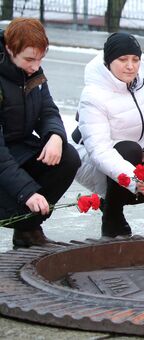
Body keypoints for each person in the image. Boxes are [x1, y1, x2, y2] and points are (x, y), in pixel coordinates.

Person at [72, 32, 144, 238]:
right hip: (93, 161)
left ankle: (110, 204)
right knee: (129, 148)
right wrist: (135, 180)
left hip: (133, 158)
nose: (130, 66)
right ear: (108, 62)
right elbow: (99, 150)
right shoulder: (93, 95)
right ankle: (112, 218)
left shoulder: (143, 81)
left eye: (135, 59)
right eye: (122, 60)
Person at [0, 18, 80, 247]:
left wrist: (54, 136)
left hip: (18, 149)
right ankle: (22, 220)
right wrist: (27, 193)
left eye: (40, 58)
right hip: (2, 156)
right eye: (29, 59)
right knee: (21, 190)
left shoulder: (32, 73)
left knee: (67, 158)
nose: (36, 66)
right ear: (9, 48)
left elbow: (47, 111)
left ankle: (27, 230)